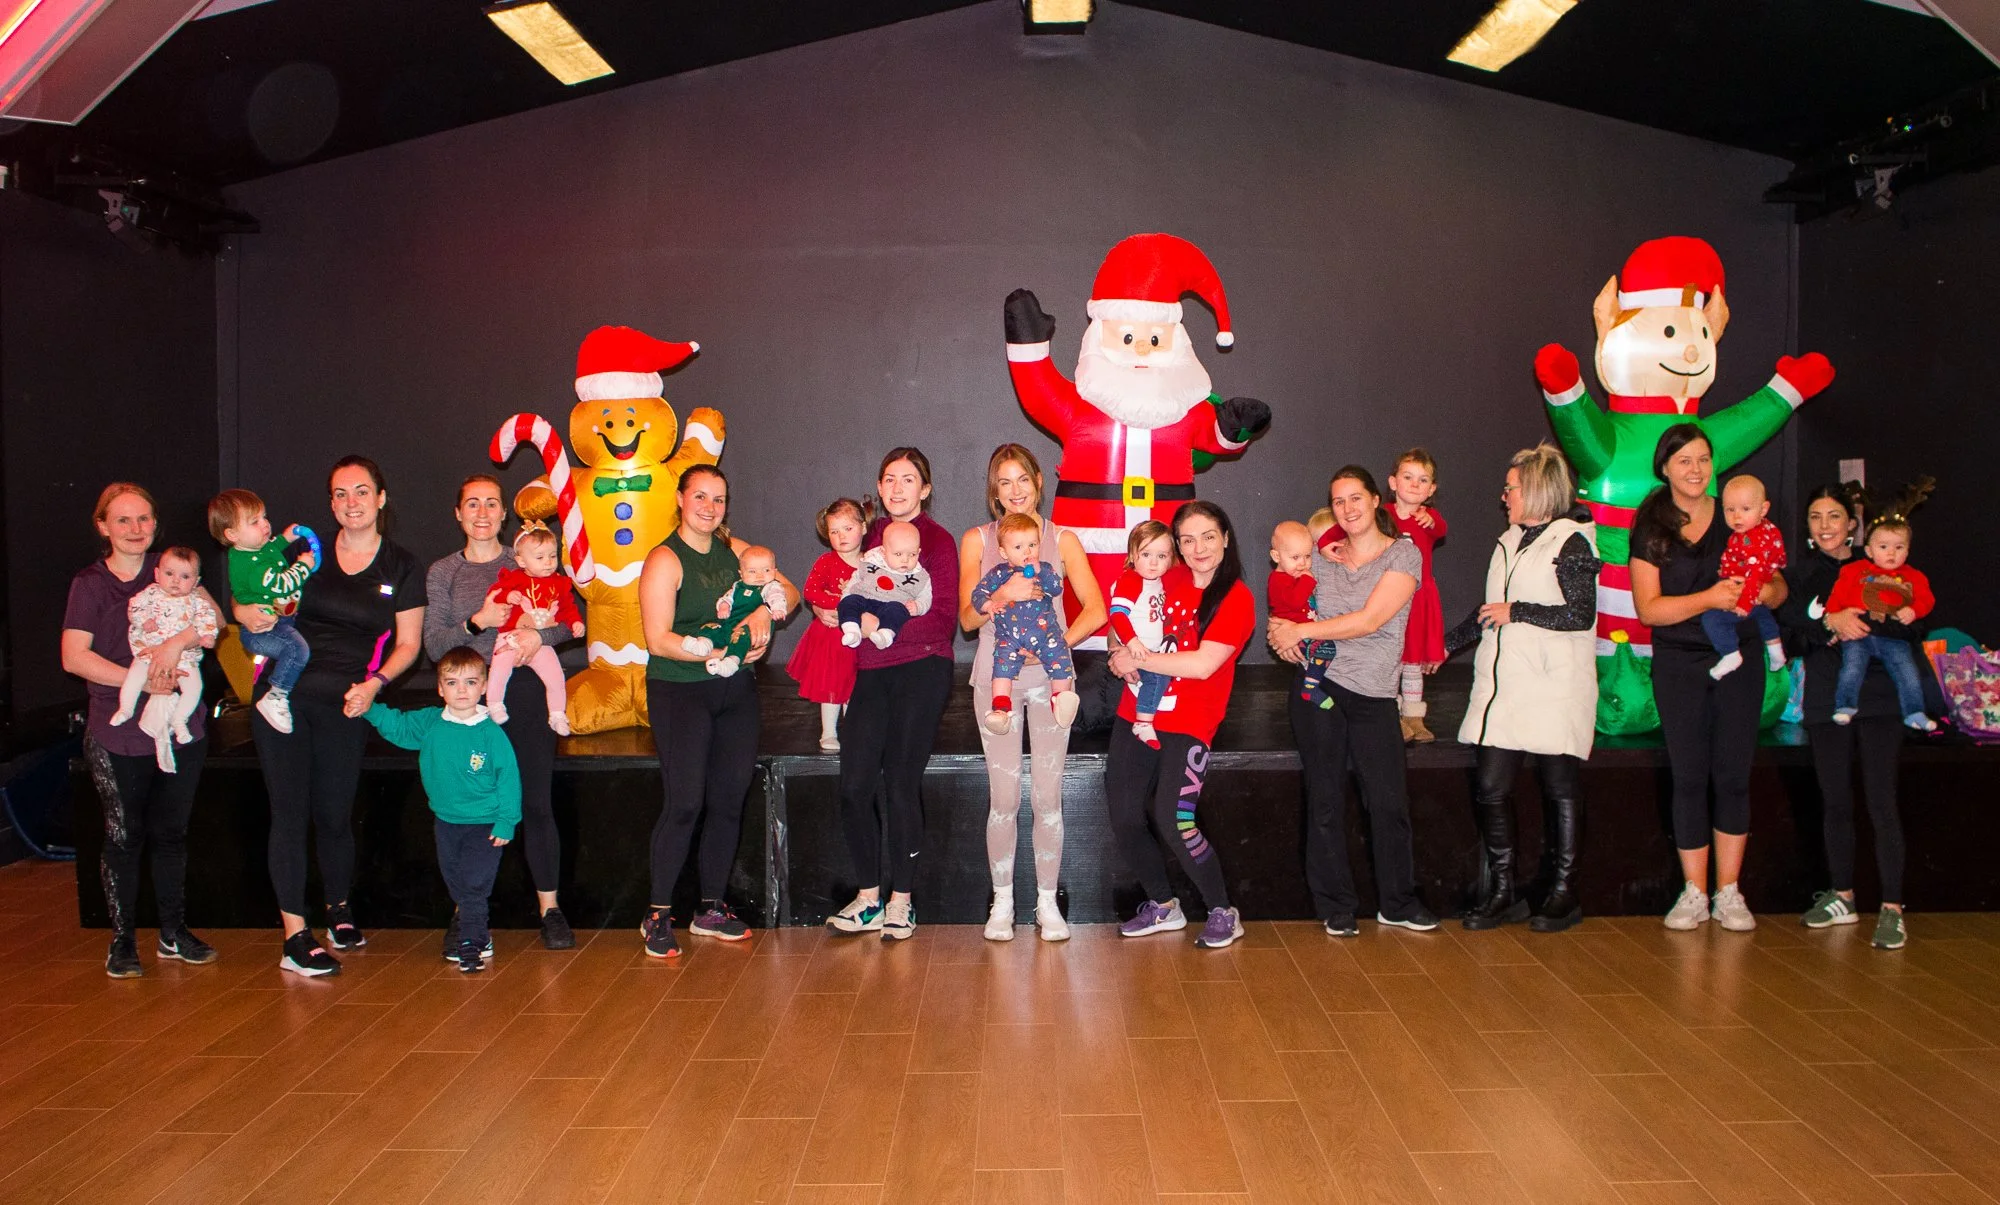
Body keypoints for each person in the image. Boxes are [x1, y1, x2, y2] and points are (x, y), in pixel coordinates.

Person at [245, 456, 426, 976]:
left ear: (381, 498)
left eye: (362, 492)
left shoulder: (402, 565)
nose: (352, 503)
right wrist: (250, 612)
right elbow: (255, 601)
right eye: (341, 494)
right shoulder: (304, 554)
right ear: (331, 503)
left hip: (348, 701)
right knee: (289, 813)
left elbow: (409, 644)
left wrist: (375, 685)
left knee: (333, 813)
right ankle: (295, 937)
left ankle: (339, 908)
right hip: (281, 699)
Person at [1629, 424, 1785, 933]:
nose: (1695, 470)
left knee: (1734, 776)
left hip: (1739, 660)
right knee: (1690, 777)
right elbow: (1649, 610)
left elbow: (1779, 582)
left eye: (1702, 459)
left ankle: (1729, 892)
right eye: (1684, 462)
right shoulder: (1650, 524)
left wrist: (1768, 594)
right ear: (1665, 469)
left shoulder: (1741, 508)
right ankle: (1694, 892)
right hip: (1678, 664)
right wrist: (1710, 599)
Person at [637, 464, 799, 958]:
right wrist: (711, 654)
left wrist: (760, 616)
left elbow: (789, 593)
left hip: (735, 693)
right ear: (681, 499)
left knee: (729, 801)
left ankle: (709, 909)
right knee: (685, 802)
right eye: (701, 497)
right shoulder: (665, 559)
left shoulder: (735, 549)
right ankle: (658, 914)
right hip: (680, 690)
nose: (710, 507)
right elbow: (657, 639)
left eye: (719, 499)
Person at [62, 484, 221, 978]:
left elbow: (215, 621)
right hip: (121, 728)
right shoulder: (89, 584)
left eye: (145, 519)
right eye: (124, 521)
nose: (136, 530)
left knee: (173, 833)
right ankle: (123, 940)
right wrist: (143, 675)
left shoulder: (176, 566)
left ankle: (172, 933)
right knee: (124, 835)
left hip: (179, 722)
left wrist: (173, 648)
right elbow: (73, 657)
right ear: (103, 526)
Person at [1273, 466, 1437, 937]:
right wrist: (1284, 635)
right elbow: (1287, 613)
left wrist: (1301, 631)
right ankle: (1336, 904)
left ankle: (1398, 902)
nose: (1347, 508)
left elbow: (1370, 620)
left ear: (1374, 500)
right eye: (1338, 501)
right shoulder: (1319, 561)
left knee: (1388, 803)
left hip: (1372, 695)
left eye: (1354, 498)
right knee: (1324, 800)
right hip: (1319, 690)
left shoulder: (1403, 556)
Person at [1443, 445, 1599, 933]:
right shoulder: (1509, 540)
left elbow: (1580, 614)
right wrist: (1441, 647)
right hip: (1505, 689)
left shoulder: (1572, 541)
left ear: (1536, 489)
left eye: (1510, 487)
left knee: (1560, 788)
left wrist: (1519, 611)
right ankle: (1504, 890)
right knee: (1491, 787)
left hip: (1554, 686)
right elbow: (1491, 609)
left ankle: (1562, 892)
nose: (1503, 495)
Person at [958, 445, 1106, 943]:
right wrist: (999, 597)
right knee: (1004, 798)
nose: (1015, 490)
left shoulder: (1062, 540)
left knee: (1047, 798)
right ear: (993, 490)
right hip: (994, 681)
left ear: (1039, 481)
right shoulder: (977, 541)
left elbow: (1096, 609)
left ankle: (1046, 904)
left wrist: (1051, 646)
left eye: (1022, 479)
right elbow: (966, 617)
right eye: (1004, 482)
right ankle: (1002, 903)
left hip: (1049, 682)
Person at [423, 473, 575, 951]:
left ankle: (550, 909)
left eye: (492, 503)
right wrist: (478, 621)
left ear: (505, 513)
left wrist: (537, 637)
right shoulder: (443, 571)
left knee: (535, 801)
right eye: (473, 504)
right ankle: (466, 915)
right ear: (458, 513)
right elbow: (434, 645)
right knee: (467, 811)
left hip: (523, 696)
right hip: (467, 699)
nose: (483, 513)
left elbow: (569, 621)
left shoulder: (530, 554)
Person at [1107, 501, 1256, 949]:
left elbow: (1204, 664)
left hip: (1190, 719)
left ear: (1226, 538)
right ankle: (1163, 906)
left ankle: (1220, 909)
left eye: (1208, 536)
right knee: (1124, 814)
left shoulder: (1236, 597)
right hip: (1136, 714)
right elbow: (1120, 621)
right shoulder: (1161, 574)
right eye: (1186, 540)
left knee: (1175, 819)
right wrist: (1119, 653)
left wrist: (1139, 657)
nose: (1198, 548)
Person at [828, 448, 958, 942]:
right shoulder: (867, 536)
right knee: (854, 787)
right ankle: (868, 898)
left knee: (901, 782)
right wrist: (840, 614)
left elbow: (941, 618)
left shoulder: (938, 541)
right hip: (871, 669)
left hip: (922, 668)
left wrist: (874, 623)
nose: (898, 487)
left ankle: (902, 901)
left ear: (925, 489)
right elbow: (845, 592)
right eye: (889, 479)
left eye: (909, 479)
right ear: (879, 488)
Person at [1779, 485, 1911, 950]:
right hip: (1823, 697)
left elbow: (1917, 623)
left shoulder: (1883, 565)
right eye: (1816, 517)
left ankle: (1892, 908)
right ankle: (1843, 895)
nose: (1825, 525)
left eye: (1834, 516)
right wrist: (1826, 625)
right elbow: (1790, 639)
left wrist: (1880, 617)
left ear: (1852, 523)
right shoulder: (1797, 576)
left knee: (1880, 798)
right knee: (1834, 799)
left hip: (1878, 696)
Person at [366, 647, 519, 973]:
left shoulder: (490, 732)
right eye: (452, 683)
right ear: (439, 688)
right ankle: (479, 933)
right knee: (457, 882)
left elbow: (509, 778)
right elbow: (398, 726)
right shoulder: (431, 723)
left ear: (484, 686)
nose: (461, 690)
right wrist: (369, 709)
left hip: (486, 823)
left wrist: (506, 821)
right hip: (447, 822)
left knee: (475, 883)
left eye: (470, 682)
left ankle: (471, 943)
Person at [1322, 449, 1447, 741]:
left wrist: (1430, 518)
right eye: (1408, 477)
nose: (1414, 485)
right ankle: (1393, 714)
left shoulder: (1430, 519)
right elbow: (1338, 527)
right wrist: (1327, 543)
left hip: (1418, 599)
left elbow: (1442, 530)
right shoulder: (1382, 515)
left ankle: (1415, 717)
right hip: (1386, 597)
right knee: (1392, 655)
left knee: (1412, 659)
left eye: (1423, 480)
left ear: (1431, 489)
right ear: (1392, 483)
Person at [210, 488, 315, 733]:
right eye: (254, 522)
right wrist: (303, 566)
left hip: (279, 620)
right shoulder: (249, 566)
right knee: (297, 650)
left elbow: (272, 548)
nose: (265, 525)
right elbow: (283, 584)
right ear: (232, 534)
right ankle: (276, 695)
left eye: (264, 517)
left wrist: (287, 538)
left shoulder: (256, 548)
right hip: (261, 633)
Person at [108, 547, 220, 773]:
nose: (176, 581)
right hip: (150, 652)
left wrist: (208, 635)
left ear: (196, 581)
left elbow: (210, 618)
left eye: (185, 577)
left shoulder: (196, 601)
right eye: (170, 574)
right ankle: (126, 708)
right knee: (134, 678)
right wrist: (143, 621)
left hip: (185, 659)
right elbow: (134, 607)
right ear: (157, 574)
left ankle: (179, 719)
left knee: (195, 688)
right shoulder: (150, 594)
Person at [970, 513, 1079, 735]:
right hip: (1009, 638)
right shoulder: (998, 574)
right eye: (1019, 547)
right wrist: (989, 605)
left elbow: (1057, 588)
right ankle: (1000, 708)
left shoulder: (1045, 569)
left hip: (1045, 634)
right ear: (1004, 552)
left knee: (1060, 657)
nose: (1027, 552)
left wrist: (1043, 573)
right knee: (1001, 668)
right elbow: (978, 594)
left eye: (1032, 545)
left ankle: (1060, 699)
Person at [1826, 518, 1936, 731]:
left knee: (1908, 671)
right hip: (1859, 631)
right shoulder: (1854, 571)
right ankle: (1845, 706)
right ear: (1869, 550)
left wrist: (1913, 611)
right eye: (1883, 547)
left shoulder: (1914, 577)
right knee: (1852, 667)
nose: (1891, 553)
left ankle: (1914, 712)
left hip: (1893, 636)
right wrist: (1835, 621)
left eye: (1899, 547)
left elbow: (1927, 600)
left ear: (1907, 552)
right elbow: (1836, 597)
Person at [483, 523, 584, 730]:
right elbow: (494, 594)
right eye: (540, 558)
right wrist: (507, 595)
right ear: (521, 560)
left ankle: (557, 714)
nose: (548, 563)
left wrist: (575, 622)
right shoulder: (514, 579)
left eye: (552, 556)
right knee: (499, 668)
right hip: (510, 637)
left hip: (542, 642)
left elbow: (568, 608)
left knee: (555, 674)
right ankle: (494, 704)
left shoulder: (559, 583)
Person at [1109, 521, 1195, 749]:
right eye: (1146, 554)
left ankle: (1145, 718)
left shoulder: (1157, 582)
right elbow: (1117, 615)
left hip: (1151, 649)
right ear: (1133, 555)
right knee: (1158, 677)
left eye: (1162, 556)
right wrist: (1131, 642)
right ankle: (1144, 721)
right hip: (1140, 648)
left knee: (1159, 679)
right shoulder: (1131, 580)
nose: (1154, 562)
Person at [790, 498, 867, 752]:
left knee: (855, 687)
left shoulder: (873, 563)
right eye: (834, 531)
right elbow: (811, 591)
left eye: (847, 528)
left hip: (861, 639)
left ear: (864, 528)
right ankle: (829, 731)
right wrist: (838, 602)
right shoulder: (826, 562)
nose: (841, 536)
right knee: (832, 686)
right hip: (831, 638)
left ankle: (854, 728)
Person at [1700, 475, 1789, 680]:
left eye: (1745, 509)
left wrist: (1745, 602)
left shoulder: (1753, 541)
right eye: (1730, 510)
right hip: (1752, 589)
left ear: (1763, 509)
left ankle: (1730, 654)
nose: (1736, 516)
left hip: (1746, 592)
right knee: (1763, 615)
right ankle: (1776, 651)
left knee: (1712, 618)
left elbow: (1756, 574)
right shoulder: (1763, 529)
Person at [688, 545, 788, 677]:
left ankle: (731, 662)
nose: (760, 575)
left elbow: (777, 597)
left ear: (775, 571)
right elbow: (727, 597)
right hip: (730, 624)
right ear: (741, 573)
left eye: (767, 570)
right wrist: (724, 605)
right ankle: (703, 644)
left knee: (741, 639)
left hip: (750, 630)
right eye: (752, 571)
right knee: (711, 627)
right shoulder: (737, 586)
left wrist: (777, 609)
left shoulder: (770, 586)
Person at [1267, 520, 1335, 709]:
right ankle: (1311, 687)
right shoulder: (1278, 580)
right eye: (1295, 557)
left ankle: (1314, 682)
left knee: (1325, 649)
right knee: (1327, 648)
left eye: (1307, 556)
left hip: (1304, 631)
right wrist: (1307, 580)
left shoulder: (1292, 576)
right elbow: (1295, 601)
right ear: (1276, 556)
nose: (1303, 563)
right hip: (1295, 636)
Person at [837, 522, 931, 648]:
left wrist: (918, 606)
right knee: (849, 601)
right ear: (883, 552)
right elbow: (855, 580)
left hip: (891, 605)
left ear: (918, 552)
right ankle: (851, 631)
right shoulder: (871, 562)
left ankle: (885, 635)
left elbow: (926, 597)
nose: (905, 560)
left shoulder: (920, 576)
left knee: (897, 611)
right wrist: (846, 596)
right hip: (864, 599)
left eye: (912, 554)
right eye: (898, 554)